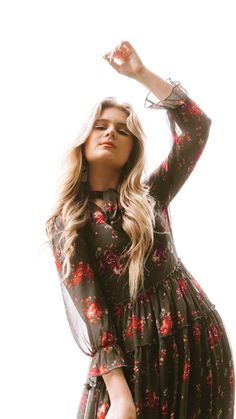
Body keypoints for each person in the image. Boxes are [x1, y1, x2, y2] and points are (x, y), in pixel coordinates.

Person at [45, 41, 235, 418]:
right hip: (133, 361)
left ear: (132, 149)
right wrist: (118, 394)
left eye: (122, 130)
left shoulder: (151, 195)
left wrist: (140, 74)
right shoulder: (68, 220)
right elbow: (93, 311)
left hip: (197, 339)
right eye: (100, 126)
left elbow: (198, 128)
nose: (110, 133)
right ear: (83, 140)